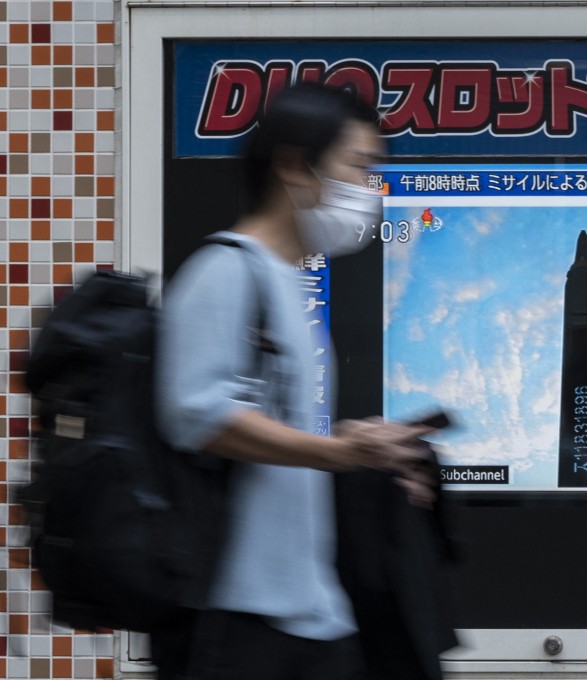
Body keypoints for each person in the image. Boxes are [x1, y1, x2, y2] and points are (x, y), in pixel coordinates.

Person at [153, 83, 445, 680]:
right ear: (293, 164)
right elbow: (198, 414)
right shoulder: (225, 270)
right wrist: (337, 451)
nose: (373, 189)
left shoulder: (287, 284)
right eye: (361, 167)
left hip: (310, 614)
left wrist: (367, 451)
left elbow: (268, 423)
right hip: (238, 619)